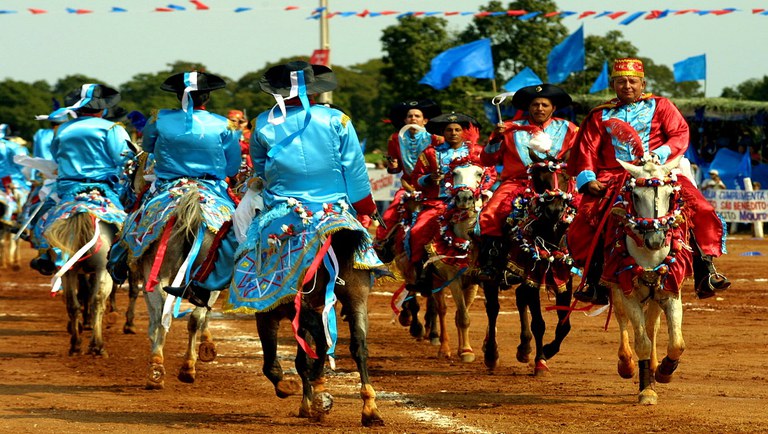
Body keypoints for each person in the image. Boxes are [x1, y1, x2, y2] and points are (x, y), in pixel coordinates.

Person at [567, 58, 730, 304]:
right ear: (613, 84)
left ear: (642, 84)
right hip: (614, 176)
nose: (627, 86)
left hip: (659, 171)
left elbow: (679, 134)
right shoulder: (599, 114)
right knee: (588, 217)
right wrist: (588, 179)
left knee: (700, 208)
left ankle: (705, 271)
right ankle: (594, 280)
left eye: (633, 81)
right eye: (621, 81)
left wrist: (659, 154)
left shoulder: (661, 106)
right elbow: (587, 149)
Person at [227, 60, 383, 311]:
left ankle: (241, 283)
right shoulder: (338, 119)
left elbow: (261, 168)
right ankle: (362, 284)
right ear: (314, 89)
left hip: (284, 207)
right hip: (334, 208)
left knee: (250, 235)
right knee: (362, 246)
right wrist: (365, 206)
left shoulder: (263, 122)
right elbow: (354, 167)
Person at [112, 71, 241, 308]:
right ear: (208, 97)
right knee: (239, 228)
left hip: (168, 187)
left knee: (133, 218)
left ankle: (118, 263)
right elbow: (232, 167)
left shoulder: (158, 119)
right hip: (212, 189)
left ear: (177, 96)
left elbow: (148, 147)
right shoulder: (225, 125)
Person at [476, 84, 579, 284]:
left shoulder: (570, 129)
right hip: (518, 183)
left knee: (589, 214)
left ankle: (591, 267)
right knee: (489, 214)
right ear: (528, 107)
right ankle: (492, 263)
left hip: (558, 184)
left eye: (544, 105)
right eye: (535, 105)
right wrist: (496, 139)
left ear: (553, 108)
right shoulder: (508, 129)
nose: (539, 108)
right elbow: (487, 160)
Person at [33, 84, 134, 274]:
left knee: (45, 217)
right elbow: (125, 158)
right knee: (129, 223)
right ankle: (126, 258)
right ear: (103, 108)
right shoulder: (113, 128)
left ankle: (45, 256)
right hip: (105, 189)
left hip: (69, 190)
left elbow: (56, 156)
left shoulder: (63, 129)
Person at [408, 112, 494, 272]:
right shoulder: (430, 153)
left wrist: (478, 190)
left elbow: (491, 174)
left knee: (495, 227)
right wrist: (429, 178)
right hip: (438, 203)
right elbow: (416, 179)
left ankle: (492, 267)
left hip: (474, 202)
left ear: (464, 131)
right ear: (443, 132)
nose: (453, 133)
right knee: (417, 230)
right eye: (449, 130)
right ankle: (420, 272)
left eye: (457, 129)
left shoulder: (477, 151)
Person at [374, 99, 443, 248]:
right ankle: (380, 246)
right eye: (409, 116)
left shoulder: (436, 138)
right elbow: (395, 169)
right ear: (405, 120)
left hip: (433, 187)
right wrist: (392, 166)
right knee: (389, 215)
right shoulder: (395, 138)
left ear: (425, 121)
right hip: (408, 186)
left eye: (417, 116)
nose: (413, 119)